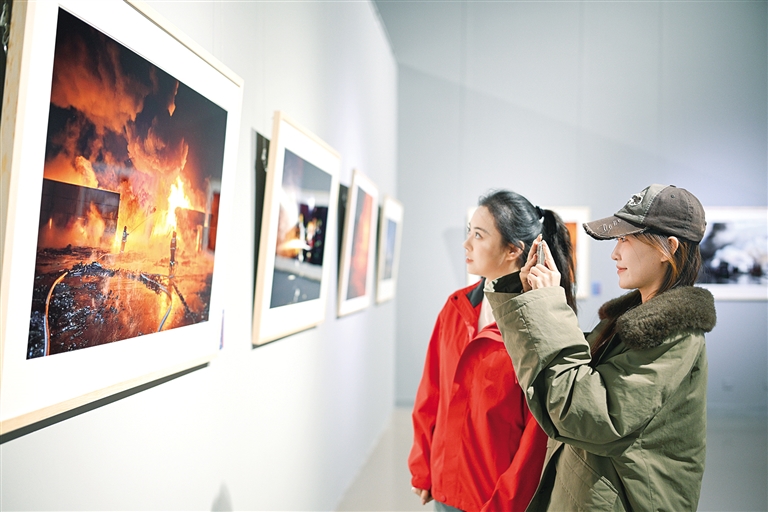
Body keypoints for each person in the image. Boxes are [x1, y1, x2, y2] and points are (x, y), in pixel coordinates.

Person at [485, 184, 717, 511]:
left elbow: (584, 411)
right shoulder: (633, 322)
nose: (614, 253)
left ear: (668, 248)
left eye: (626, 239)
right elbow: (570, 376)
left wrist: (548, 304)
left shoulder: (673, 334)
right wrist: (530, 300)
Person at [408, 189, 577, 512]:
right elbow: (431, 392)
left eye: (479, 235)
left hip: (494, 501)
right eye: (469, 231)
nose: (466, 244)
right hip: (444, 490)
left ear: (513, 250)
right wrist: (422, 467)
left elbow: (536, 439)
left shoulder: (536, 325)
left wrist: (504, 504)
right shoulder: (456, 308)